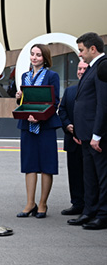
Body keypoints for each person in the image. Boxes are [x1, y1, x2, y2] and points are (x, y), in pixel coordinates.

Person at [15, 44, 62, 219]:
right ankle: (30, 203)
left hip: (45, 125)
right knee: (29, 165)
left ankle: (42, 203)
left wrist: (40, 117)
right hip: (27, 125)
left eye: (38, 55)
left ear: (45, 58)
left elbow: (54, 102)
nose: (34, 57)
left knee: (46, 165)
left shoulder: (51, 76)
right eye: (32, 54)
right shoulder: (25, 76)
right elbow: (25, 102)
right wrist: (19, 98)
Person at [68, 32, 107, 230]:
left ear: (93, 48)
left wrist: (97, 135)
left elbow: (103, 104)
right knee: (89, 176)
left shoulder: (103, 67)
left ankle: (103, 214)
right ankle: (89, 211)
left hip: (96, 136)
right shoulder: (92, 67)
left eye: (82, 50)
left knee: (102, 177)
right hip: (85, 135)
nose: (80, 54)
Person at [58, 59, 88, 216]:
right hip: (72, 140)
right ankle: (77, 203)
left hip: (88, 140)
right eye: (79, 68)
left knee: (90, 176)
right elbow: (62, 110)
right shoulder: (69, 91)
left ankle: (91, 206)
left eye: (84, 69)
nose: (81, 71)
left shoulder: (96, 90)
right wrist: (68, 126)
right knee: (74, 174)